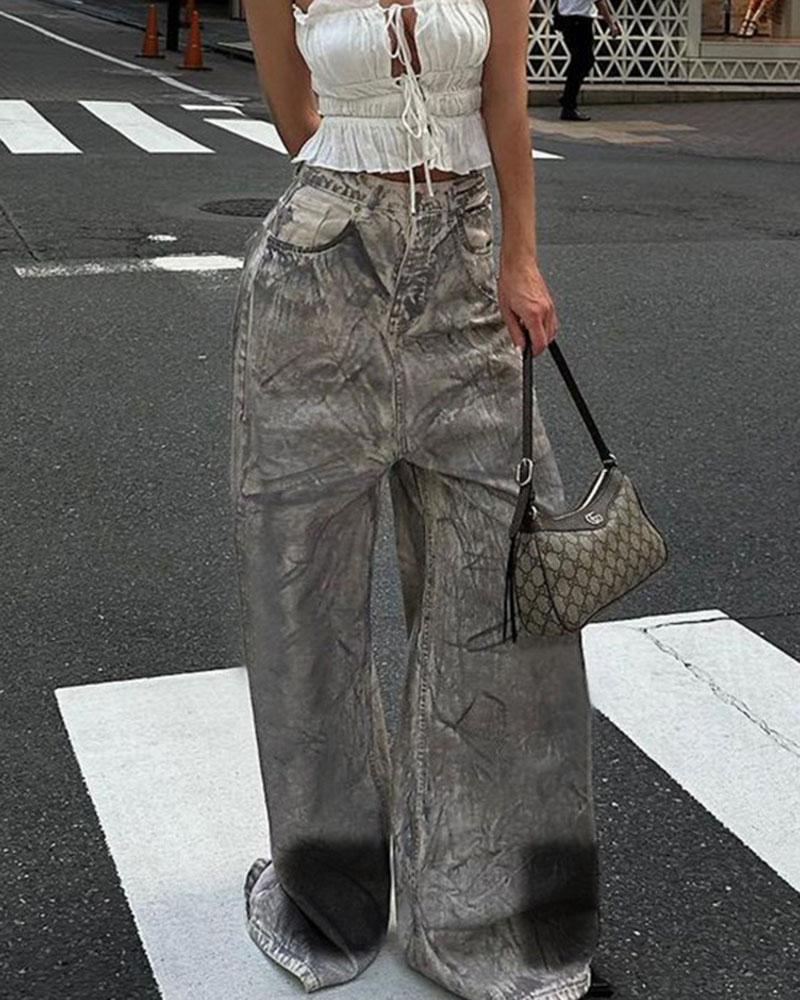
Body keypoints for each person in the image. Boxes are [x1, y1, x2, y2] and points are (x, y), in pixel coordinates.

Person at [232, 1, 613, 998]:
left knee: (501, 597)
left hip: (472, 276)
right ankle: (330, 884)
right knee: (302, 596)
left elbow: (507, 105)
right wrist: (372, 184)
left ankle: (489, 912)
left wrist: (518, 256)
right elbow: (295, 121)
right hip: (317, 283)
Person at [554, 0, 621, 121]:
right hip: (580, 22)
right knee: (584, 61)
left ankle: (568, 98)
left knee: (579, 61)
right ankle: (568, 103)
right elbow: (600, 2)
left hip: (566, 20)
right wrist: (611, 24)